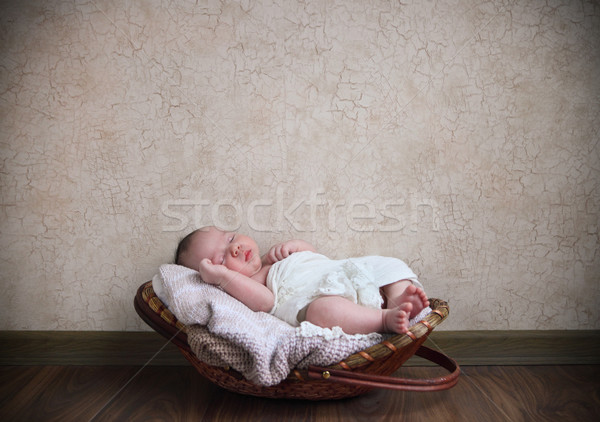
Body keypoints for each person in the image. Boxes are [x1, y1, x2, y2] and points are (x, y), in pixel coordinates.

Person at [175, 226, 429, 335]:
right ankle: (383, 320)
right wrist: (222, 277)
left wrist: (298, 246)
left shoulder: (272, 257)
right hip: (321, 298)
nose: (236, 248)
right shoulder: (251, 286)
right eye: (220, 260)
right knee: (323, 311)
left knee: (386, 264)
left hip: (342, 274)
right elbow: (265, 303)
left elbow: (318, 260)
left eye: (230, 238)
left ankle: (398, 298)